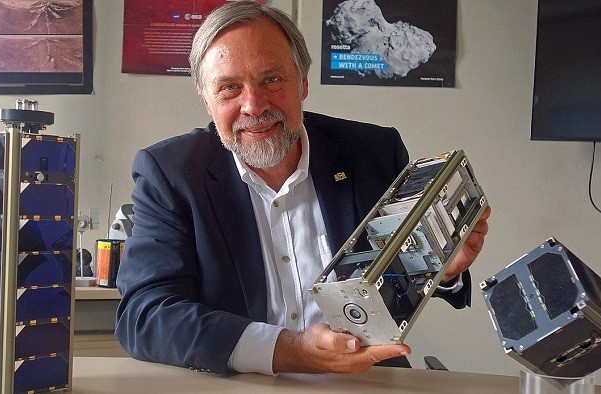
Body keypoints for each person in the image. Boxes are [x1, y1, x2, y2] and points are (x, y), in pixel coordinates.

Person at [115, 0, 490, 376]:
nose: (253, 105)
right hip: (243, 385)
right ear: (206, 98)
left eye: (271, 80)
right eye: (229, 88)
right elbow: (144, 315)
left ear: (303, 81)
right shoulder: (171, 173)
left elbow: (398, 274)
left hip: (365, 380)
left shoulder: (373, 153)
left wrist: (438, 268)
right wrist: (287, 350)